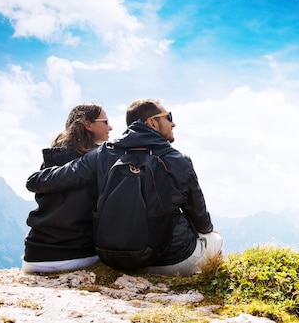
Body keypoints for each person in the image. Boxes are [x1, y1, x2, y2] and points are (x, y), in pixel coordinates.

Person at [26, 99, 223, 276]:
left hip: (118, 259)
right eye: (168, 117)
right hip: (173, 260)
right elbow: (201, 220)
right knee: (214, 238)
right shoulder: (179, 160)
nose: (173, 123)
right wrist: (208, 231)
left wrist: (36, 178)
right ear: (152, 122)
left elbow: (56, 178)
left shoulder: (103, 154)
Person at [22, 103, 113, 274]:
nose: (110, 127)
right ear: (88, 124)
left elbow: (32, 182)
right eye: (106, 121)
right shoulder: (98, 162)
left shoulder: (51, 159)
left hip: (34, 257)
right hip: (76, 256)